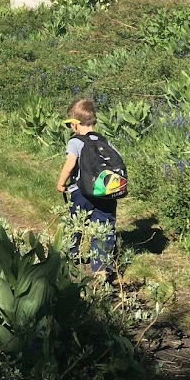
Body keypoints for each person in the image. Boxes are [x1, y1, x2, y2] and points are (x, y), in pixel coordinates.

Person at [55, 97, 118, 274]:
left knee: (76, 224)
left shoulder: (75, 142)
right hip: (104, 192)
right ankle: (101, 268)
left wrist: (61, 183)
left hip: (81, 192)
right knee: (104, 227)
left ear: (75, 124)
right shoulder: (104, 141)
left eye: (69, 124)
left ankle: (70, 256)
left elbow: (70, 164)